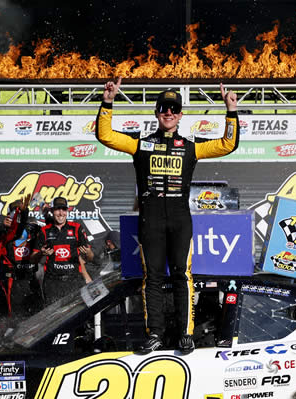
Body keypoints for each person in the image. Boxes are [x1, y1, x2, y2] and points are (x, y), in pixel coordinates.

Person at [96, 77, 239, 355]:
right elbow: (106, 136)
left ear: (181, 115)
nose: (169, 113)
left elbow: (226, 145)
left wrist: (230, 110)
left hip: (179, 220)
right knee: (152, 278)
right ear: (156, 112)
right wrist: (108, 102)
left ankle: (186, 334)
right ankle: (155, 335)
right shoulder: (140, 144)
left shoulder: (191, 146)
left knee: (183, 276)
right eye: (164, 108)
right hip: (150, 221)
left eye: (174, 109)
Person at [31, 196, 94, 306]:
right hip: (53, 283)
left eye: (64, 209)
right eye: (57, 209)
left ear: (68, 210)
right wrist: (41, 253)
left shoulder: (77, 228)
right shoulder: (44, 231)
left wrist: (88, 253)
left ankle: (41, 203)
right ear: (52, 210)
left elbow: (89, 257)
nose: (61, 213)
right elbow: (32, 259)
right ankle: (41, 203)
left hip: (74, 281)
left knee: (77, 317)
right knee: (54, 320)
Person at [2, 199, 43, 319]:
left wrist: (42, 206)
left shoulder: (35, 229)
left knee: (38, 318)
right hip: (14, 282)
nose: (18, 215)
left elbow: (51, 228)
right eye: (15, 212)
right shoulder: (4, 230)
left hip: (32, 279)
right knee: (16, 319)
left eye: (20, 212)